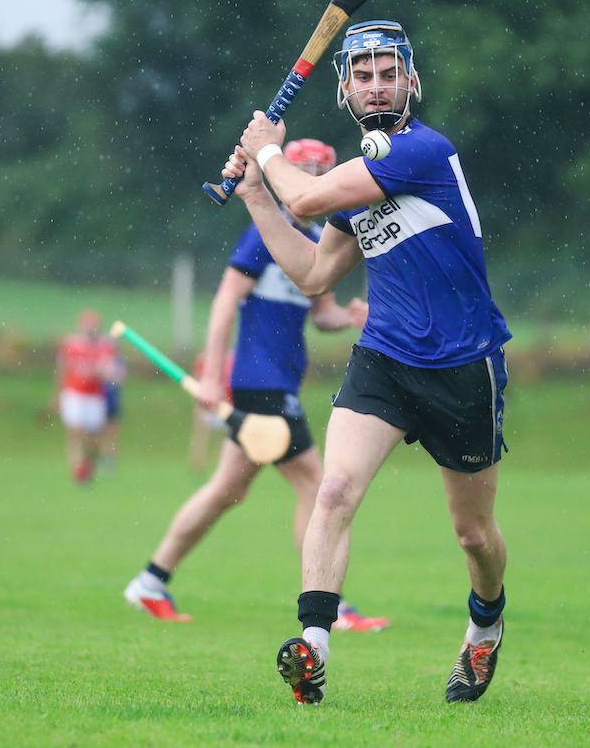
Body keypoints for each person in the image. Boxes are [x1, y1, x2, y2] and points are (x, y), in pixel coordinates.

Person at [223, 21, 512, 704]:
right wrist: (258, 195)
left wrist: (267, 154)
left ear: (412, 81)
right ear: (345, 88)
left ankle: (487, 624)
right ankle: (314, 645)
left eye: (390, 72)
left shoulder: (419, 150)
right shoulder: (361, 178)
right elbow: (315, 271)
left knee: (473, 534)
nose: (378, 84)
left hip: (463, 365)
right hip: (384, 356)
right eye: (365, 74)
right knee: (333, 490)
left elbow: (305, 196)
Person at [124, 138, 388, 633]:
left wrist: (350, 317)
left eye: (319, 171)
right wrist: (209, 376)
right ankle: (332, 607)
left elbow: (320, 313)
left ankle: (151, 581)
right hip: (259, 382)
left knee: (227, 490)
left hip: (279, 380)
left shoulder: (316, 243)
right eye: (303, 169)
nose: (311, 179)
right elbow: (226, 301)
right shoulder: (266, 233)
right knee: (316, 484)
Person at [51, 309, 118, 483]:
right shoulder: (71, 344)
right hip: (74, 394)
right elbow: (62, 370)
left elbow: (110, 370)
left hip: (95, 396)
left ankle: (88, 465)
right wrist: (56, 396)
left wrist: (105, 372)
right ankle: (77, 469)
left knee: (94, 438)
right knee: (75, 432)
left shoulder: (106, 346)